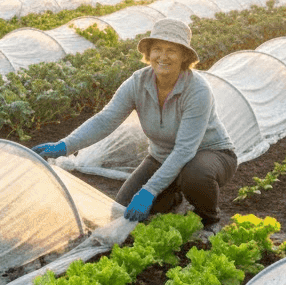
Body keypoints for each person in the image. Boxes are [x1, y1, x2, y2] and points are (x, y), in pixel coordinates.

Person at [32, 17, 237, 228]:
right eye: (158, 49)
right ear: (149, 53)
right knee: (120, 211)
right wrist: (66, 145)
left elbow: (185, 150)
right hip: (161, 157)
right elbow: (105, 119)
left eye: (172, 50)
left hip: (210, 155)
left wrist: (149, 191)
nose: (163, 57)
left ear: (184, 56)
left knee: (195, 175)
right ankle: (173, 197)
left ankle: (209, 220)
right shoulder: (138, 83)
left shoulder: (197, 90)